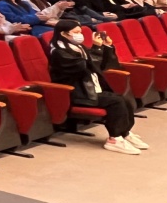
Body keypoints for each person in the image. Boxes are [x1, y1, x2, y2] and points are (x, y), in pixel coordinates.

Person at [49, 22, 146, 155]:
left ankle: (124, 133)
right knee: (116, 102)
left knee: (125, 100)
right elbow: (83, 66)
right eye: (76, 32)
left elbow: (102, 66)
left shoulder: (78, 47)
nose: (80, 35)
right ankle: (114, 139)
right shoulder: (58, 52)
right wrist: (96, 48)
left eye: (80, 32)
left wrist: (106, 47)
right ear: (63, 34)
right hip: (77, 92)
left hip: (90, 89)